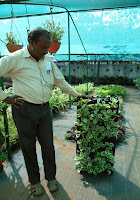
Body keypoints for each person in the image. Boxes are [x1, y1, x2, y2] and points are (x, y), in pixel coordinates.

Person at [0, 27, 86, 196]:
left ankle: (51, 178)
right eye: (43, 47)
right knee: (28, 147)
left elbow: (59, 81)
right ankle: (34, 182)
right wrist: (4, 97)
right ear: (31, 43)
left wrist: (76, 94)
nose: (46, 51)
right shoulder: (14, 58)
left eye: (48, 47)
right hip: (24, 110)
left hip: (44, 110)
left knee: (48, 146)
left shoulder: (47, 60)